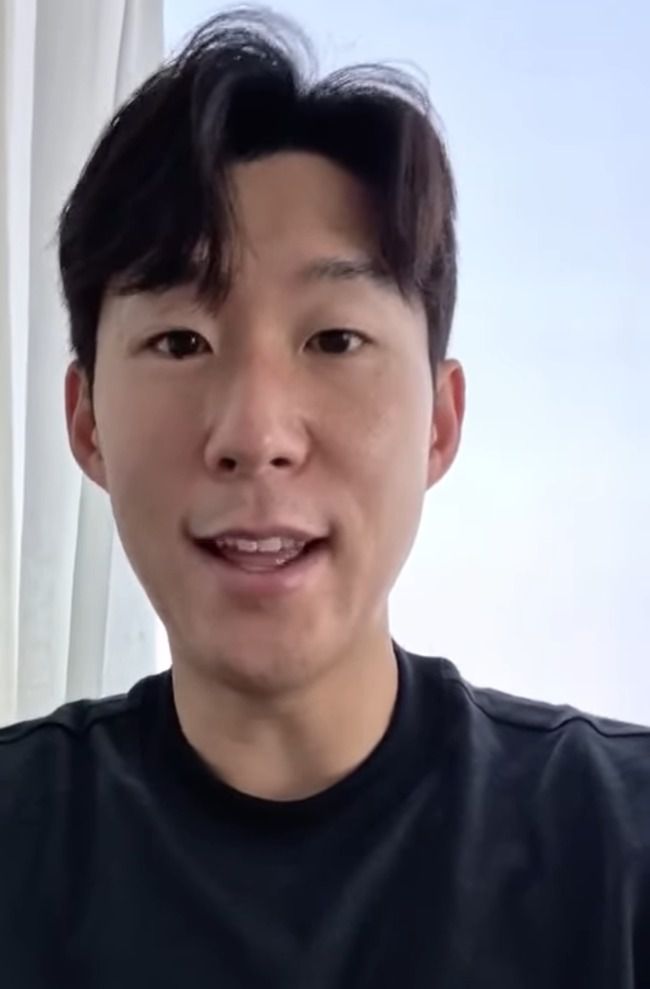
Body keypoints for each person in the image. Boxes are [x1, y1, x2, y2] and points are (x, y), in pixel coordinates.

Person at [1, 7, 648, 987]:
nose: (256, 434)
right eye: (179, 341)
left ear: (439, 421)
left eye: (334, 339)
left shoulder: (618, 849)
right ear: (87, 422)